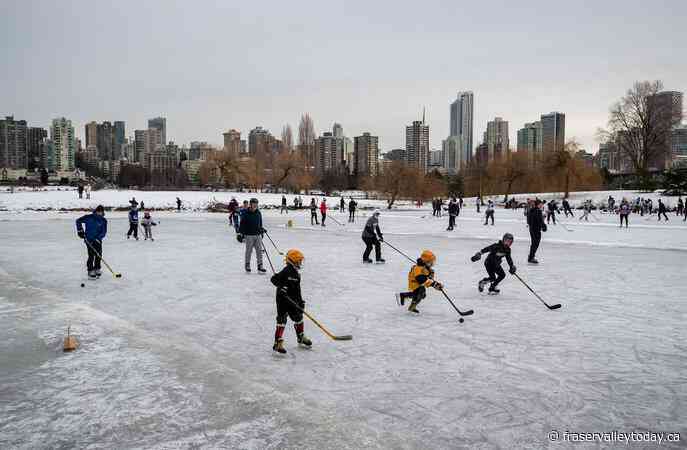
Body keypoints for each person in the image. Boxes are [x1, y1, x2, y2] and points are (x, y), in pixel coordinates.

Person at [270, 249, 311, 354]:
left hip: (293, 300)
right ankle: (277, 343)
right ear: (292, 261)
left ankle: (300, 336)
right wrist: (282, 286)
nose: (300, 263)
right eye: (298, 261)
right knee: (282, 320)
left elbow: (297, 290)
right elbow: (273, 280)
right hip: (283, 300)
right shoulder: (286, 271)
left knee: (298, 317)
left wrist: (300, 301)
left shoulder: (296, 274)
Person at [396, 250, 443, 314]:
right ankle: (408, 303)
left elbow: (428, 278)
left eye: (432, 262)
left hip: (419, 283)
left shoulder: (425, 268)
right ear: (425, 262)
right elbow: (421, 279)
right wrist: (434, 284)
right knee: (419, 293)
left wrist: (431, 275)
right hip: (415, 283)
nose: (432, 264)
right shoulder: (418, 268)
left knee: (422, 295)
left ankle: (405, 297)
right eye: (430, 262)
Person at [75, 205, 108, 279]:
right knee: (91, 255)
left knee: (99, 255)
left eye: (101, 212)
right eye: (98, 211)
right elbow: (78, 221)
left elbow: (104, 231)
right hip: (89, 240)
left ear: (102, 212)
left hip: (98, 240)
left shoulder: (103, 220)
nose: (99, 213)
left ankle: (97, 268)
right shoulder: (89, 217)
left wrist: (98, 238)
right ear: (95, 211)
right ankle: (90, 270)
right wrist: (80, 230)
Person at [238, 198, 266, 273]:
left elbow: (260, 223)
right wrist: (240, 234)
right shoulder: (246, 213)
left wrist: (262, 230)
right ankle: (247, 265)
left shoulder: (258, 212)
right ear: (250, 204)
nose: (255, 205)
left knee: (259, 251)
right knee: (249, 251)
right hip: (249, 235)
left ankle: (260, 266)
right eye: (254, 204)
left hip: (257, 235)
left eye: (256, 204)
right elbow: (242, 224)